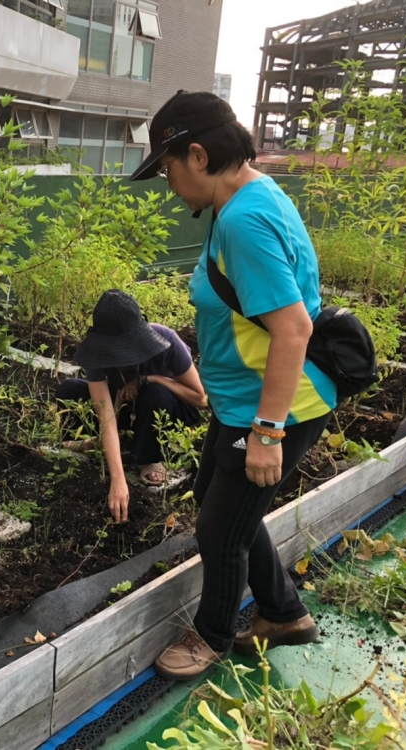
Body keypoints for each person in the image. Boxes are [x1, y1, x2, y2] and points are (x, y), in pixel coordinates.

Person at [129, 91, 337, 680]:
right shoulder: (245, 200)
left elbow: (293, 327)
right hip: (243, 398)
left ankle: (213, 636)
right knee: (218, 504)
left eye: (167, 167)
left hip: (275, 408)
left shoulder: (244, 219)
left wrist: (267, 432)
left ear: (197, 155)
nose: (167, 182)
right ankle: (284, 613)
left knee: (219, 529)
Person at [59, 290, 206, 522]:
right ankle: (100, 443)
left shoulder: (167, 340)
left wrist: (152, 379)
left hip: (168, 410)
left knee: (155, 393)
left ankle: (149, 456)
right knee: (70, 389)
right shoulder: (97, 354)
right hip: (126, 405)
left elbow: (200, 399)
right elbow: (105, 415)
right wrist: (118, 479)